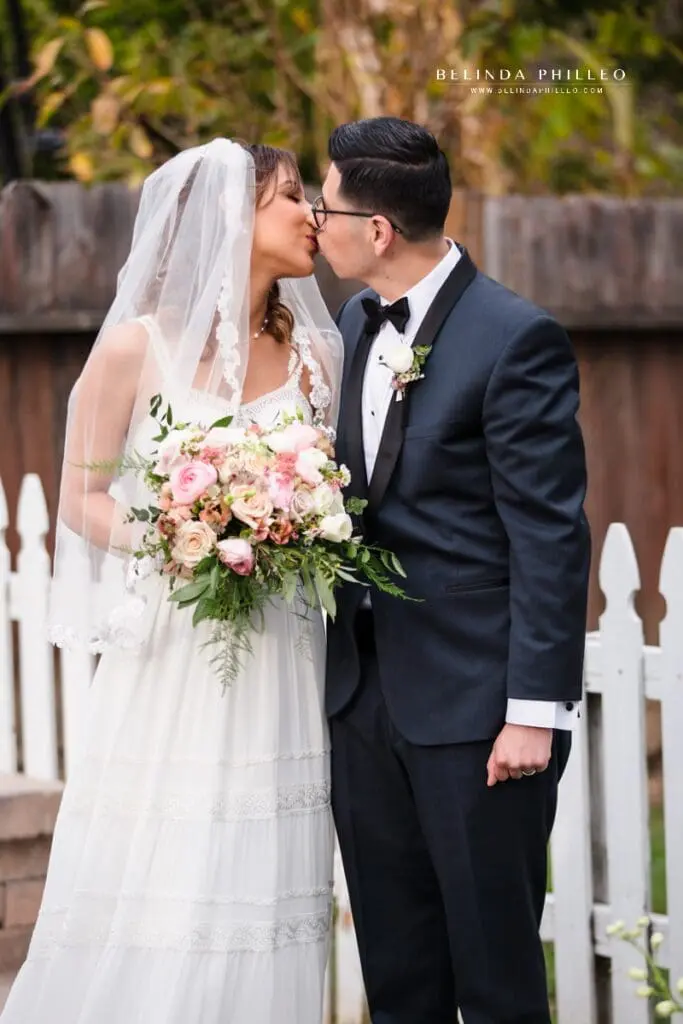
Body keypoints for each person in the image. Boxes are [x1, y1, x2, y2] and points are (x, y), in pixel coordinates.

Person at [1, 139, 343, 1024]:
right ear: (235, 218)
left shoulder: (314, 357)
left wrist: (286, 524)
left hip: (277, 648)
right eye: (291, 197)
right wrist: (180, 538)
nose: (312, 216)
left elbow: (328, 493)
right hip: (174, 648)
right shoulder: (134, 348)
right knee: (163, 856)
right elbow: (81, 493)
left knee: (261, 868)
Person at [317, 117, 591, 1024]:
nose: (318, 224)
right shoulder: (357, 320)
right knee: (398, 976)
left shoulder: (516, 337)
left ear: (377, 231)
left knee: (496, 977)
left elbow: (549, 536)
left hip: (479, 718)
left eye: (326, 208)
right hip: (363, 705)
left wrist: (531, 714)